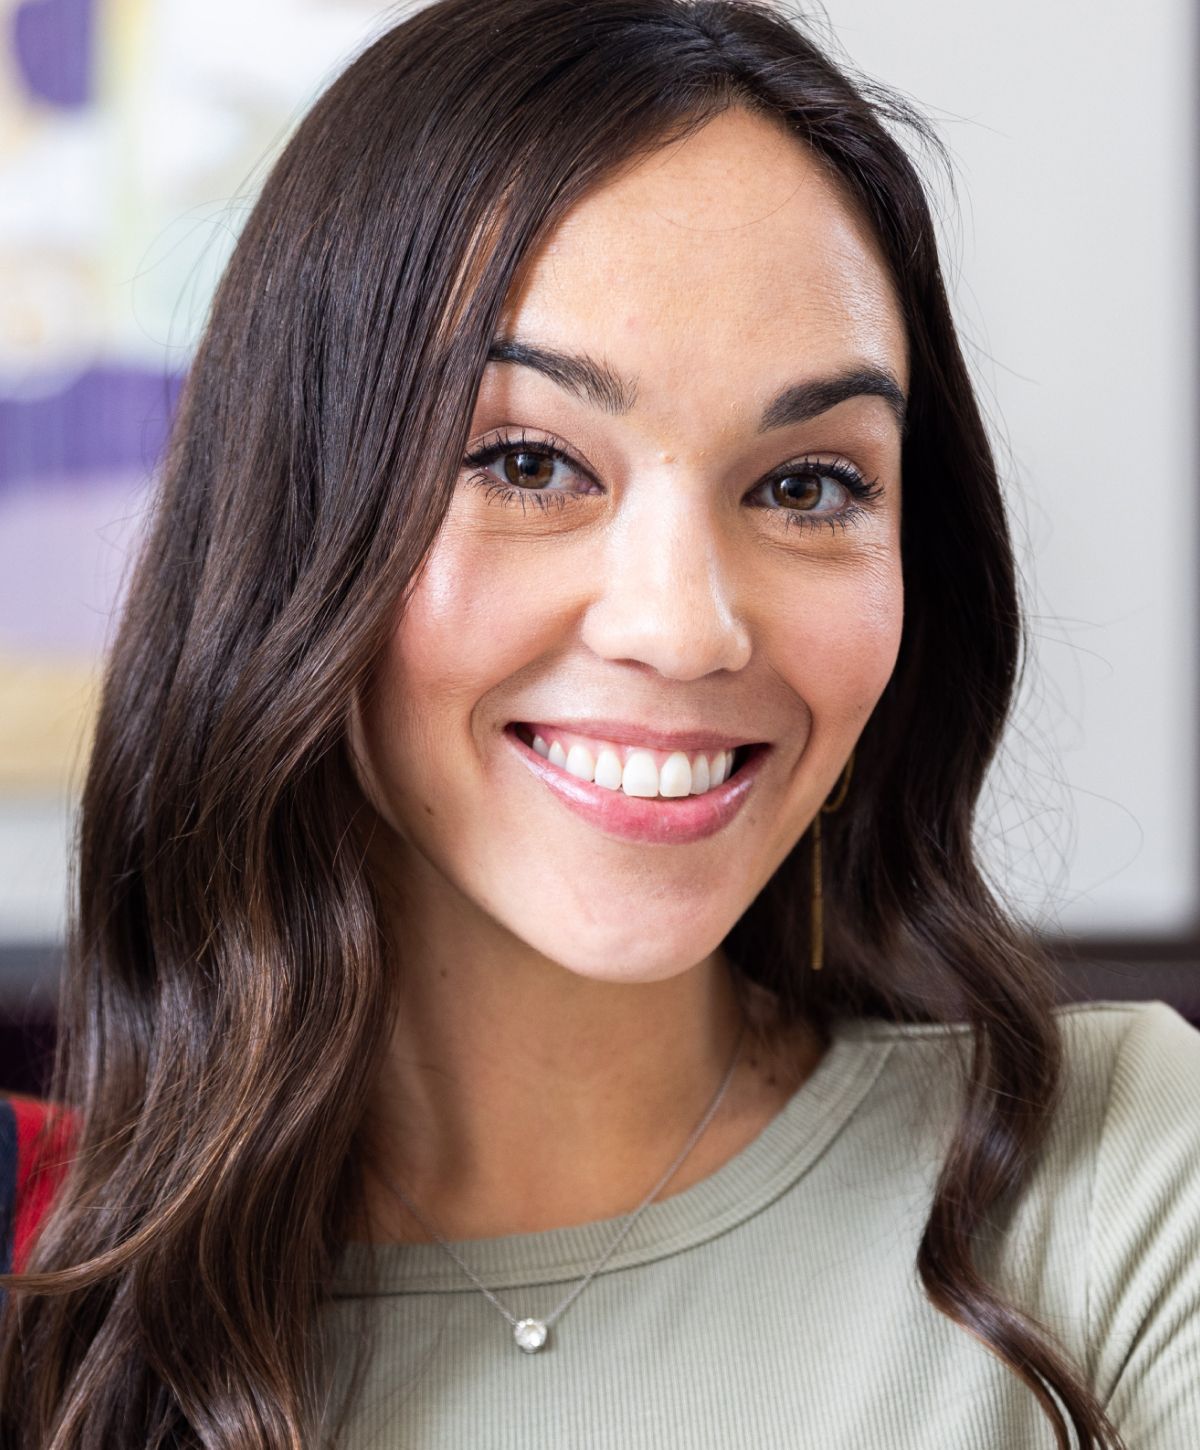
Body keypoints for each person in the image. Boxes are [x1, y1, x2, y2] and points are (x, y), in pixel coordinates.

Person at [1, 1, 1198, 1445]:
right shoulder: (62, 1306)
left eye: (810, 483)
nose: (686, 625)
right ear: (296, 522)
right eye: (526, 459)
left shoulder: (1124, 1181)